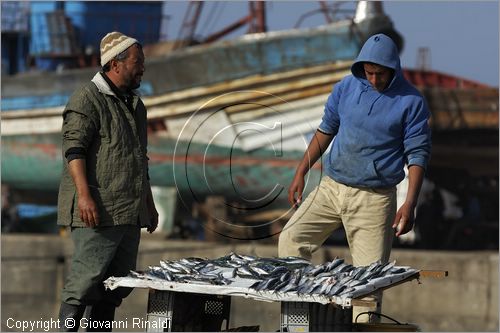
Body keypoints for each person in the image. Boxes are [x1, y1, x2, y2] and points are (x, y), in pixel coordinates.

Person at [278, 33, 431, 322]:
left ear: (393, 69)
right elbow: (326, 131)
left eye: (381, 74)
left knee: (368, 283)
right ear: (361, 68)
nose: (374, 80)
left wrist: (410, 204)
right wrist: (301, 171)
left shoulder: (412, 102)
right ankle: (297, 317)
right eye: (369, 73)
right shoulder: (345, 88)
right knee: (291, 239)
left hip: (373, 200)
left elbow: (418, 156)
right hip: (331, 188)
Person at [57, 31, 159, 331]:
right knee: (84, 282)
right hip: (98, 209)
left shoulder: (136, 106)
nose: (142, 68)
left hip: (129, 212)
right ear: (116, 64)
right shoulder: (87, 98)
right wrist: (85, 197)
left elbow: (140, 159)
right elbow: (73, 150)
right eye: (137, 62)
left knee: (117, 286)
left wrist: (149, 205)